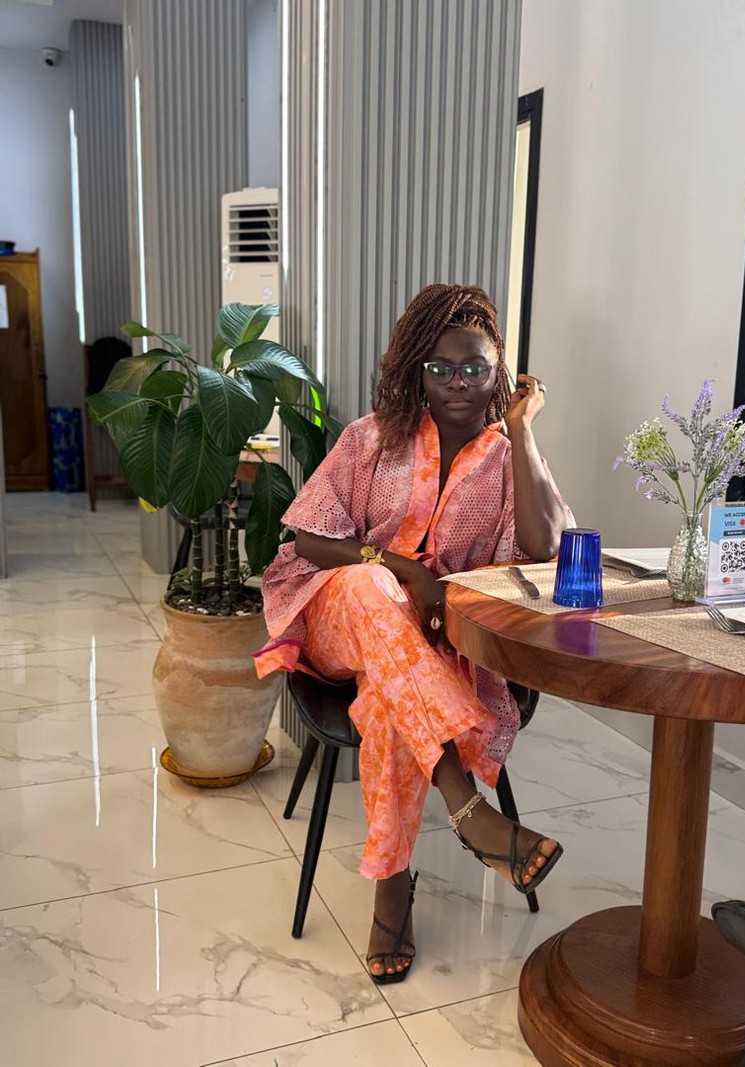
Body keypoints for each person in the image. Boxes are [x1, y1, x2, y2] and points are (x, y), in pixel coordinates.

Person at [255, 283, 574, 984]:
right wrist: (403, 569)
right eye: (441, 368)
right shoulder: (372, 437)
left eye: (475, 368)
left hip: (430, 648)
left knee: (387, 702)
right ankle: (469, 809)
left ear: (499, 374)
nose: (458, 382)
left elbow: (545, 546)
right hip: (337, 619)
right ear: (417, 370)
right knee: (373, 589)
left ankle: (392, 890)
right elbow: (308, 540)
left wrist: (523, 430)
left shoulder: (504, 456)